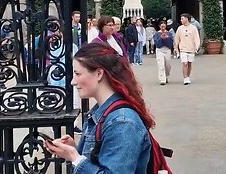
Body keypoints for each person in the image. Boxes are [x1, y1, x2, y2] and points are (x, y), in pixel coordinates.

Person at [45, 43, 154, 173]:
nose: (73, 81)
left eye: (78, 74)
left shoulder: (122, 122)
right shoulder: (101, 112)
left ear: (98, 74)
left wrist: (75, 158)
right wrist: (75, 151)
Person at [174, 13, 201, 85]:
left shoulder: (193, 28)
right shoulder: (180, 28)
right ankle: (185, 77)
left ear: (186, 19)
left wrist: (196, 47)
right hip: (183, 49)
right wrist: (176, 48)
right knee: (185, 63)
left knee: (189, 63)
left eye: (182, 19)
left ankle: (188, 76)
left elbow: (197, 39)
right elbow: (177, 39)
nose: (181, 20)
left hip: (191, 49)